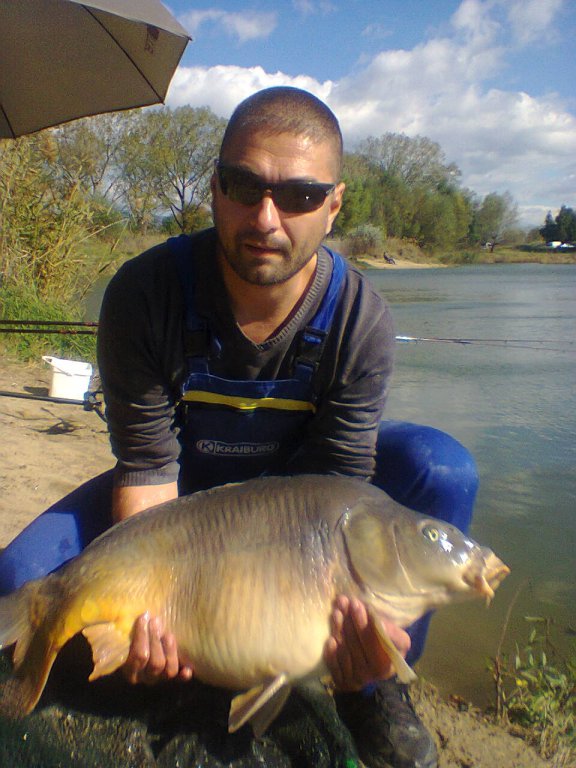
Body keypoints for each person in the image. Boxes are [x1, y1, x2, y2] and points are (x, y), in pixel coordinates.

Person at [0, 87, 478, 768]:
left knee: (441, 468)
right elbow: (147, 471)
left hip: (303, 506)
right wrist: (160, 611)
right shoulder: (145, 293)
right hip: (179, 500)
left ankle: (373, 685)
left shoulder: (359, 317)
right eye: (244, 186)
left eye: (300, 196)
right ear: (214, 188)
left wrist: (351, 622)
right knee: (21, 577)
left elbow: (337, 492)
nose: (266, 218)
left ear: (334, 205)